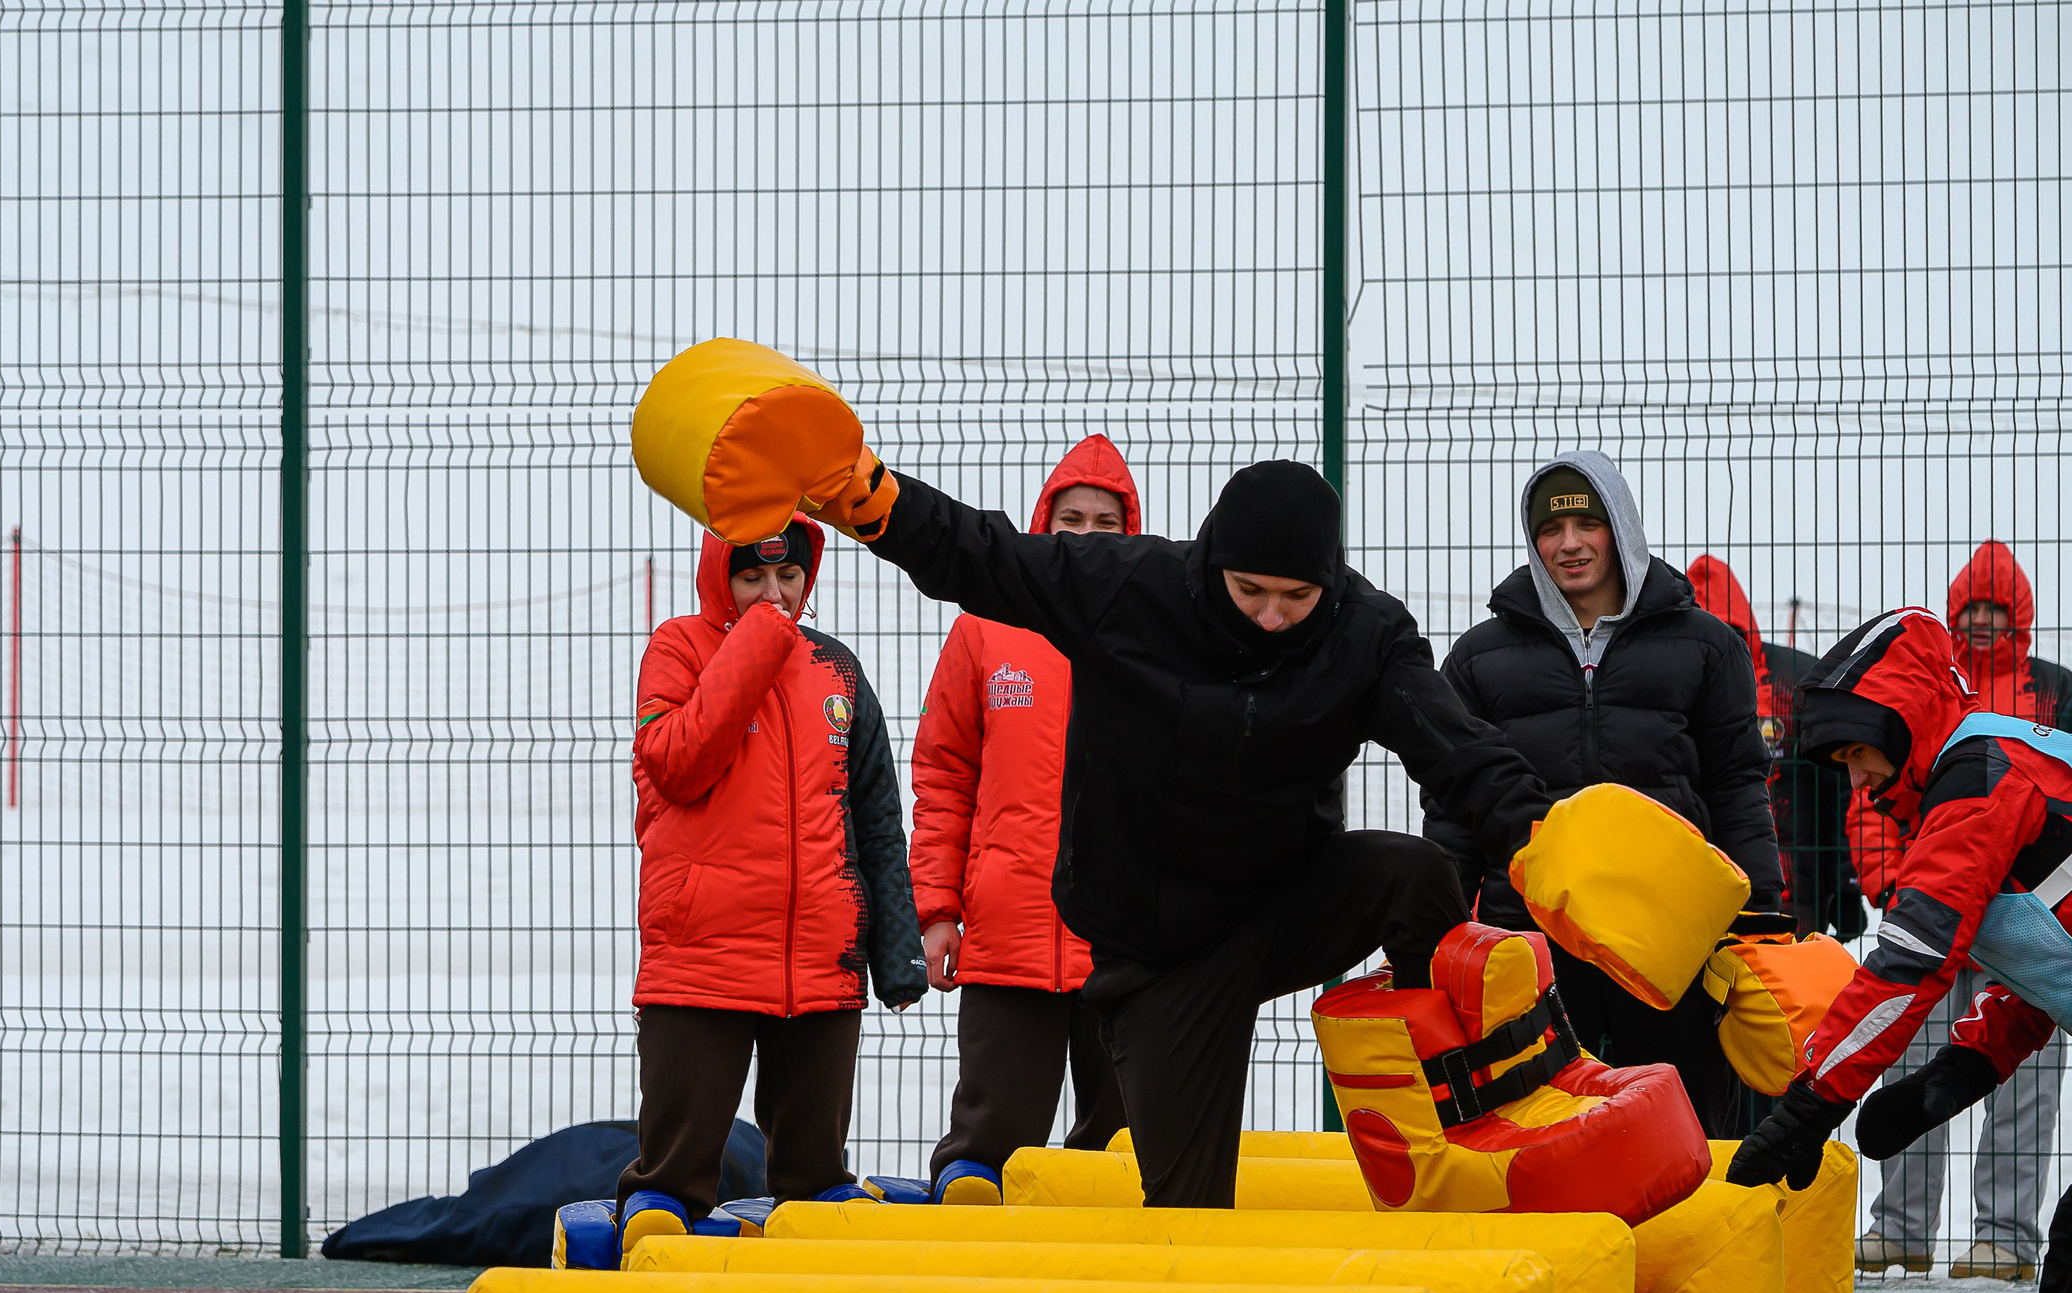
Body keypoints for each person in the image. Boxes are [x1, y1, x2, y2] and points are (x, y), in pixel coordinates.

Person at [805, 450, 1557, 1210]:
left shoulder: (1364, 636)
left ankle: (1458, 1114)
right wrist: (871, 500)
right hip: (1161, 954)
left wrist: (1548, 847)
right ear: (1214, 565)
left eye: (1296, 596)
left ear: (1329, 579)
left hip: (1283, 903)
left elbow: (1461, 751)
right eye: (1250, 591)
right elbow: (980, 552)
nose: (1271, 615)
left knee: (1416, 872)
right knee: (1188, 1209)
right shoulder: (1129, 589)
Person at [1727, 607, 2072, 1293]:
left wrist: (1811, 1101)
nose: (1852, 777)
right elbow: (2051, 956)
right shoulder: (1985, 775)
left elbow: (1910, 961)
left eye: (1854, 753)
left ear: (1898, 721)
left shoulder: (1978, 781)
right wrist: (1954, 1075)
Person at [1424, 456, 1781, 1145]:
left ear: (1622, 527)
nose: (1571, 542)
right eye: (1551, 526)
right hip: (1532, 935)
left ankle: (1685, 1255)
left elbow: (1737, 781)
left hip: (1670, 936)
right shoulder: (1477, 658)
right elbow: (1453, 810)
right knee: (1539, 1134)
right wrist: (1439, 930)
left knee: (1686, 1134)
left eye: (1588, 521)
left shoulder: (1706, 646)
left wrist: (1761, 914)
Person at [620, 518, 927, 1249]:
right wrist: (756, 641)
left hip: (819, 966)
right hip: (704, 958)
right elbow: (675, 762)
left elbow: (877, 816)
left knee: (816, 1181)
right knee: (670, 1185)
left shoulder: (837, 670)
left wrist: (896, 949)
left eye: (788, 577)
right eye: (752, 577)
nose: (774, 593)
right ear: (719, 576)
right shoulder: (679, 648)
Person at [913, 436, 1138, 1203]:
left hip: (1126, 936)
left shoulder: (1157, 628)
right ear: (1044, 525)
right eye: (1070, 517)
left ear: (1129, 532)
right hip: (1009, 928)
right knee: (989, 1143)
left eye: (1105, 522)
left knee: (1121, 1148)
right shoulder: (986, 626)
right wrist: (938, 909)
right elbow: (944, 775)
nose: (1084, 533)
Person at [1852, 543, 2071, 1280]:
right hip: (1935, 916)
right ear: (1953, 616)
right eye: (1971, 611)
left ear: (2022, 618)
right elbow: (1871, 795)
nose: (1981, 622)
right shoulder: (1924, 693)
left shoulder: (2056, 689)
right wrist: (1893, 882)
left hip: (2029, 925)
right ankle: (1901, 1228)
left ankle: (2004, 1237)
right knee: (1909, 1070)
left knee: (2023, 1085)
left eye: (1995, 611)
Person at [1685, 555, 1867, 945]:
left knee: (1790, 1001)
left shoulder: (1797, 682)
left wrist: (1847, 883)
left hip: (1795, 895)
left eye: (1727, 632)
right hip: (1695, 893)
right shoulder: (1668, 688)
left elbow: (1837, 788)